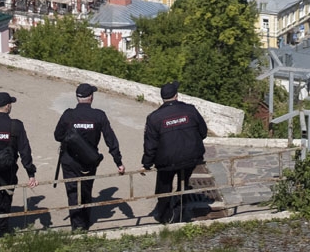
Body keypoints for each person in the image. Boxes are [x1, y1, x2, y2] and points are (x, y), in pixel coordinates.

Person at [53, 82, 125, 232]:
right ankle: (85, 222)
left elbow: (57, 135)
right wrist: (118, 161)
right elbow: (110, 139)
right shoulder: (99, 115)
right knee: (86, 189)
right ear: (91, 97)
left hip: (70, 161)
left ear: (77, 98)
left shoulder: (68, 114)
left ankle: (77, 226)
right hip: (89, 162)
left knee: (73, 192)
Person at [141, 80, 207, 224]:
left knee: (164, 185)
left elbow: (150, 145)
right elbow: (203, 132)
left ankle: (164, 215)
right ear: (176, 96)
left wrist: (146, 163)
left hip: (167, 161)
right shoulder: (190, 110)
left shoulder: (154, 118)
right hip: (192, 157)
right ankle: (181, 206)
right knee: (184, 181)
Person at [0, 91, 37, 241]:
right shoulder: (15, 126)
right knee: (5, 198)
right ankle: (0, 230)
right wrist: (30, 172)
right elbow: (24, 150)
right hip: (7, 169)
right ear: (8, 106)